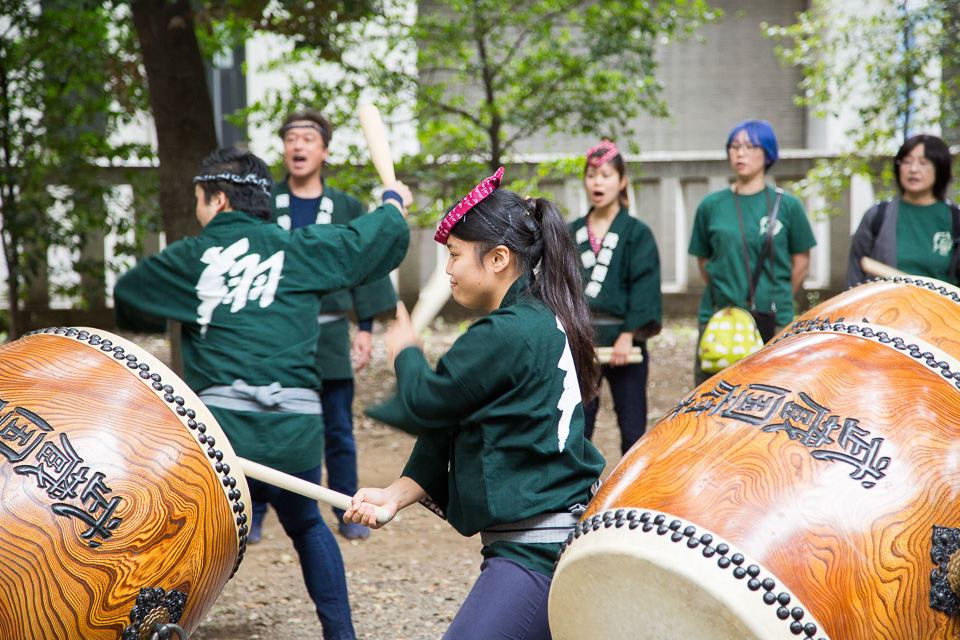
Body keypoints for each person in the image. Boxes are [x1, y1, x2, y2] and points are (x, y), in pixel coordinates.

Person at [113, 147, 412, 640]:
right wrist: (392, 201)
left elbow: (129, 295)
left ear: (219, 199)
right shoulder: (302, 249)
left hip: (222, 441)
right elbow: (381, 237)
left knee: (185, 537)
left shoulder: (193, 259)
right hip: (294, 432)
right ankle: (343, 637)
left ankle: (152, 629)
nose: (198, 210)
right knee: (308, 525)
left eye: (199, 200)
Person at [344, 168, 606, 639]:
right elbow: (451, 420)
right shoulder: (536, 319)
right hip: (547, 542)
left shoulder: (507, 332)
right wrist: (397, 493)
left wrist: (406, 354)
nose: (448, 271)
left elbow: (428, 401)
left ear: (499, 258)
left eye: (456, 255)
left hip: (536, 553)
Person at [248, 110, 398, 542]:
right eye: (291, 138)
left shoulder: (347, 206)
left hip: (330, 332)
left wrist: (365, 326)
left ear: (324, 150)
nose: (298, 146)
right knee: (266, 420)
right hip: (274, 331)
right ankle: (255, 513)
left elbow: (367, 266)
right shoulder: (261, 205)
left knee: (337, 427)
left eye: (308, 139)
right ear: (283, 148)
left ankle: (347, 510)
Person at [688, 119, 817, 386]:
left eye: (749, 146)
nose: (740, 153)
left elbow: (801, 263)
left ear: (767, 153)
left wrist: (778, 297)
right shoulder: (710, 205)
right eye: (734, 146)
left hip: (773, 319)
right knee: (713, 400)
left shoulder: (788, 205)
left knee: (771, 396)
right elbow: (704, 262)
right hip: (719, 320)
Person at [568, 140, 662, 455]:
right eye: (592, 175)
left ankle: (629, 496)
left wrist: (628, 335)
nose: (597, 182)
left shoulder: (638, 233)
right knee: (576, 428)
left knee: (633, 431)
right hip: (581, 341)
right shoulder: (570, 232)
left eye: (606, 175)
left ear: (621, 182)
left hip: (625, 342)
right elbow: (560, 286)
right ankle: (576, 501)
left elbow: (645, 286)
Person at [846, 133, 959, 287]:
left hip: (941, 309)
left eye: (924, 162)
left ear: (941, 168)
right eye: (906, 161)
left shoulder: (955, 219)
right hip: (884, 308)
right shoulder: (877, 216)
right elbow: (854, 278)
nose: (913, 169)